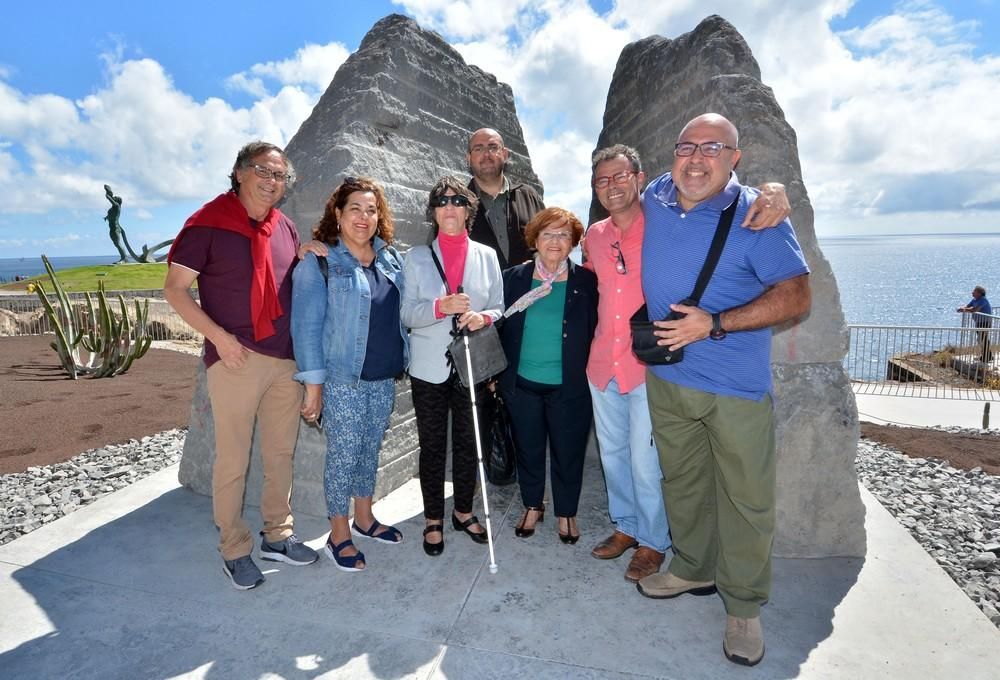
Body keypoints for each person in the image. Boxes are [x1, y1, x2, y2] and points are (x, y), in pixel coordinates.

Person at [635, 114, 811, 667]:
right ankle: (691, 568)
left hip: (735, 385)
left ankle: (743, 607)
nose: (695, 158)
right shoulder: (658, 195)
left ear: (736, 157)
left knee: (746, 496)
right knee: (682, 482)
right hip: (667, 378)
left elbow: (796, 298)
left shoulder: (758, 214)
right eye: (685, 146)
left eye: (712, 148)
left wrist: (714, 323)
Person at [584, 145, 793, 583]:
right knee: (615, 455)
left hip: (649, 364)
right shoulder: (595, 236)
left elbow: (709, 182)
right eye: (602, 180)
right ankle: (625, 526)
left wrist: (772, 191)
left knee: (647, 461)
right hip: (602, 361)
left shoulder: (662, 221)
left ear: (640, 179)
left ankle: (654, 542)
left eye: (621, 176)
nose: (612, 186)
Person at [164, 141, 319, 591]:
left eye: (280, 176)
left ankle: (278, 536)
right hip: (234, 359)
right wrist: (219, 339)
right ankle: (233, 547)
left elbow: (286, 284)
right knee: (232, 460)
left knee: (280, 455)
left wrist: (305, 256)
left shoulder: (285, 227)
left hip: (283, 360)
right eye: (263, 171)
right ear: (238, 172)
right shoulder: (206, 223)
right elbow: (174, 291)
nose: (272, 182)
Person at [290, 177, 407, 572]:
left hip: (383, 377)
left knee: (369, 451)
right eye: (355, 208)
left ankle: (364, 519)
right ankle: (338, 535)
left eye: (371, 209)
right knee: (342, 457)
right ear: (337, 215)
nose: (364, 216)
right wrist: (313, 387)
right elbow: (306, 329)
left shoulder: (391, 260)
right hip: (343, 381)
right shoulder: (320, 261)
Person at [401, 176, 505, 557]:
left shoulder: (487, 256)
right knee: (432, 446)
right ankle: (433, 519)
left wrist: (483, 318)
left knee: (468, 443)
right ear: (433, 211)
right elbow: (407, 314)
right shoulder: (414, 258)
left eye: (458, 201)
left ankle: (463, 510)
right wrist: (438, 308)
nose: (450, 206)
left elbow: (498, 305)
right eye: (442, 201)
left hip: (472, 364)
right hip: (429, 367)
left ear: (468, 211)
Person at [498, 207, 598, 544]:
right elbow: (498, 325)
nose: (555, 241)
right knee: (528, 448)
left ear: (573, 242)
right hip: (521, 383)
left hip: (569, 385)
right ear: (535, 239)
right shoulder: (513, 278)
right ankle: (532, 505)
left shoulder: (587, 281)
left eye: (563, 235)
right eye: (547, 234)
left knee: (568, 451)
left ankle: (566, 512)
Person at [466, 127, 545, 269]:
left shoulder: (529, 196)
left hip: (530, 290)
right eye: (478, 149)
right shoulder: (458, 203)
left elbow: (549, 240)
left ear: (505, 154)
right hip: (480, 291)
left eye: (493, 147)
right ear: (468, 158)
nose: (486, 154)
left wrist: (539, 261)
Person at [957, 286, 994, 362]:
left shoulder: (983, 300)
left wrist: (964, 310)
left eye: (974, 291)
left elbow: (975, 309)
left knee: (982, 339)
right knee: (982, 339)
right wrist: (964, 308)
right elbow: (968, 306)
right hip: (979, 322)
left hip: (985, 322)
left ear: (979, 293)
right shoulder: (975, 300)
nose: (972, 292)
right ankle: (988, 355)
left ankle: (986, 357)